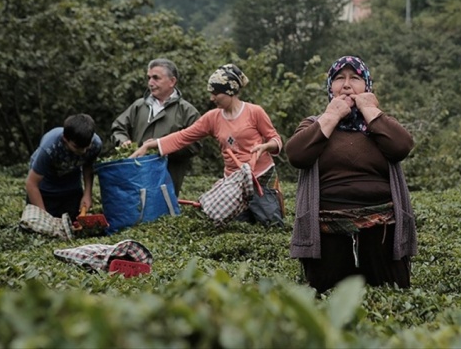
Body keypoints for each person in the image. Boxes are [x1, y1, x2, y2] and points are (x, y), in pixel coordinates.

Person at [284, 55, 417, 294]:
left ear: (366, 86)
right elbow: (296, 155)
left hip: (382, 232)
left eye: (355, 78)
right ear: (330, 87)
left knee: (390, 295)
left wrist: (369, 110)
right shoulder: (315, 123)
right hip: (327, 235)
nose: (346, 85)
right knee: (324, 298)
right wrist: (332, 116)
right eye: (339, 79)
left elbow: (402, 147)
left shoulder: (379, 123)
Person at [130, 63, 285, 227]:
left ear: (229, 91)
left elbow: (276, 139)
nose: (212, 98)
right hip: (234, 182)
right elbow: (184, 136)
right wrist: (150, 145)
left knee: (270, 222)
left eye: (216, 93)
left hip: (260, 176)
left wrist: (265, 147)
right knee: (237, 227)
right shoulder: (213, 118)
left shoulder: (254, 112)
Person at [110, 58, 201, 197]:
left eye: (156, 78)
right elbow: (118, 128)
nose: (150, 83)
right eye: (149, 78)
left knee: (161, 214)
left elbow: (195, 144)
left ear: (172, 81)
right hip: (135, 178)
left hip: (167, 181)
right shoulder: (139, 106)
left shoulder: (187, 111)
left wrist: (161, 146)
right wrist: (123, 142)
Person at [26, 113, 103, 221]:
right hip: (45, 189)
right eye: (77, 147)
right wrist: (44, 218)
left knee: (74, 225)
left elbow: (88, 166)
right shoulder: (49, 147)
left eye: (86, 146)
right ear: (65, 139)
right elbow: (31, 183)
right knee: (41, 227)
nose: (83, 151)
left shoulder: (95, 144)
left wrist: (87, 194)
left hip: (71, 188)